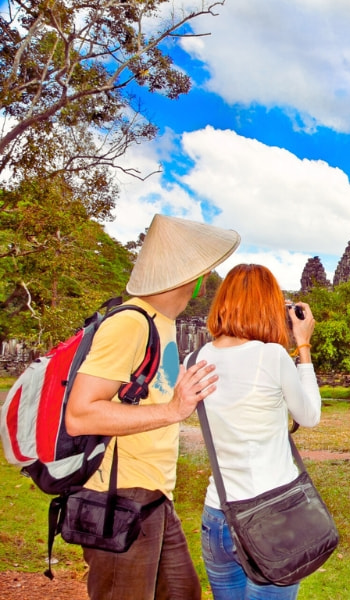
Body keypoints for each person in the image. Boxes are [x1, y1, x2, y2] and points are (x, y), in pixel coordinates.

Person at [65, 214, 241, 600]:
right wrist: (172, 410)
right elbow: (79, 415)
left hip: (154, 494)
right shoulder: (130, 322)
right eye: (205, 272)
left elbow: (149, 395)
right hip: (117, 497)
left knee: (182, 593)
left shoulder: (163, 325)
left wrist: (180, 399)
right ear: (192, 279)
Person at [194, 264, 321, 600]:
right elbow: (309, 415)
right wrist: (303, 346)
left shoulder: (197, 356)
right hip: (271, 516)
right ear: (269, 306)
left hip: (218, 514)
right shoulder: (272, 355)